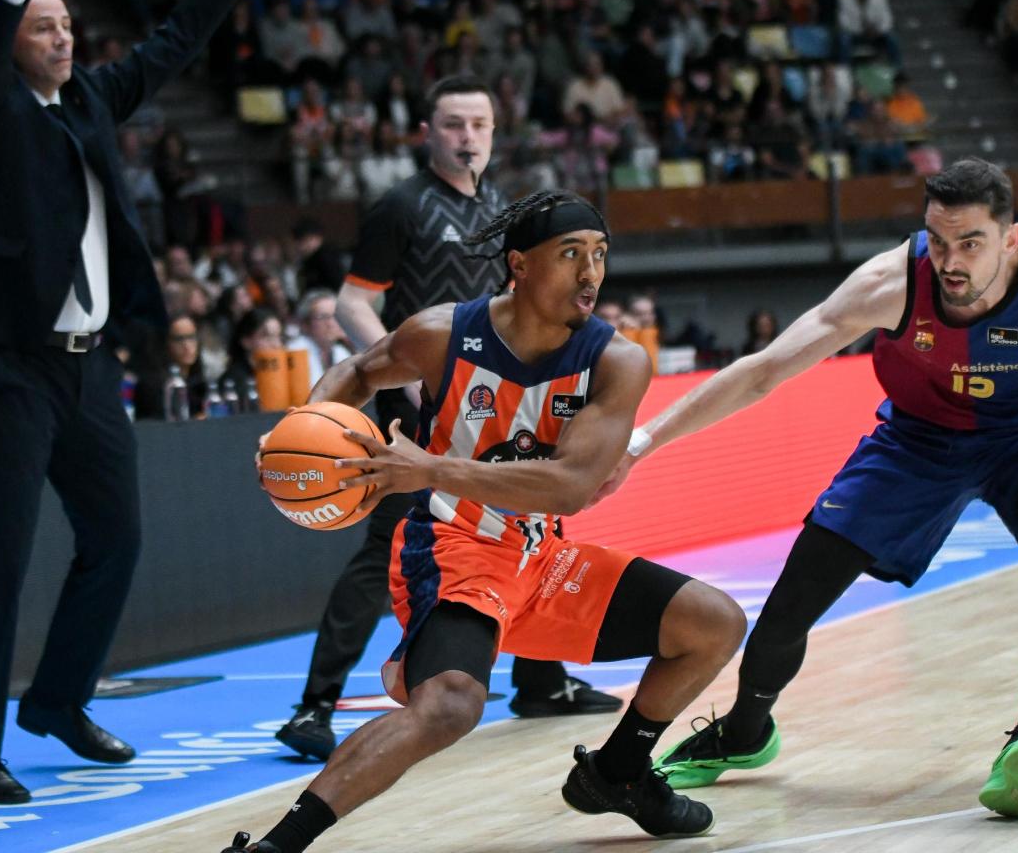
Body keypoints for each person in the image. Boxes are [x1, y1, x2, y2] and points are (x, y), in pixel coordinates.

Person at [595, 159, 1018, 820]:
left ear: (1011, 238)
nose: (950, 260)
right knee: (793, 599)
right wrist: (639, 441)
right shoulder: (891, 283)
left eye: (970, 242)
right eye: (938, 240)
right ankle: (746, 730)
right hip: (918, 444)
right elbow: (762, 372)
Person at [227, 191, 746, 852]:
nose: (591, 273)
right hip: (452, 547)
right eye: (571, 255)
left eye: (600, 255)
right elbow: (356, 372)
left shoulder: (616, 360)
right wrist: (300, 430)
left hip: (539, 554)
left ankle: (618, 773)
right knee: (449, 705)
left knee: (714, 624)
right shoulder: (443, 333)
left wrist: (433, 468)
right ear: (519, 265)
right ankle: (277, 845)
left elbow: (569, 487)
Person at [0, 0, 304, 805]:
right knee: (3, 558)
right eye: (44, 26)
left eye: (67, 25)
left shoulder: (93, 97)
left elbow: (174, 43)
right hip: (8, 363)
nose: (62, 38)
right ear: (16, 34)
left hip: (89, 362)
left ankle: (58, 700)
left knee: (117, 539)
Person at [275, 76, 621, 765]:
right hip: (424, 403)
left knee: (528, 530)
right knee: (385, 549)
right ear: (427, 133)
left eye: (480, 125)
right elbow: (350, 303)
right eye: (454, 125)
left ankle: (540, 682)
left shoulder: (505, 207)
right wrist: (397, 390)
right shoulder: (401, 206)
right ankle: (316, 704)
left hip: (505, 403)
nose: (469, 137)